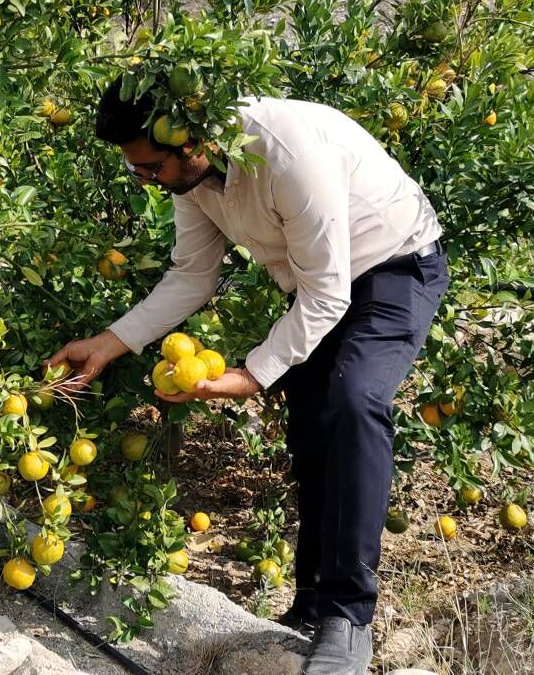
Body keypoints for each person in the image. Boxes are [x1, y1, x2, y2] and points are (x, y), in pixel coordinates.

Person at [45, 76, 450, 675]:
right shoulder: (189, 173)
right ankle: (312, 604)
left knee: (354, 401)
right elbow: (192, 276)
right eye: (137, 171)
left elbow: (327, 292)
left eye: (151, 167)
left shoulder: (287, 155)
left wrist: (252, 376)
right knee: (312, 427)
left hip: (395, 266)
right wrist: (110, 344)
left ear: (193, 142)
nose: (147, 181)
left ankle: (348, 619)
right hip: (321, 284)